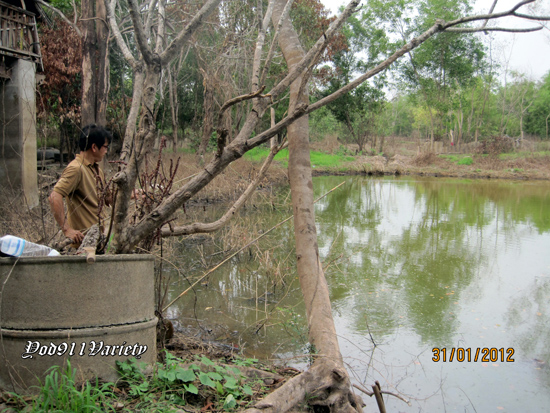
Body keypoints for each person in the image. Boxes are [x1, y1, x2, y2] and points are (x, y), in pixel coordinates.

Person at [49, 124, 112, 245]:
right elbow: (54, 197)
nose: (106, 151)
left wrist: (134, 195)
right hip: (83, 246)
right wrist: (67, 230)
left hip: (98, 241)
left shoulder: (96, 169)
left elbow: (108, 198)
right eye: (105, 147)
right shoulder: (76, 169)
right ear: (94, 147)